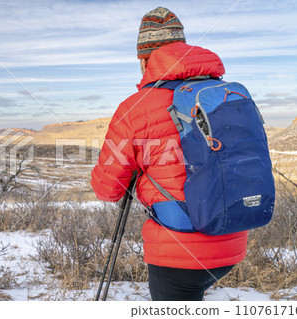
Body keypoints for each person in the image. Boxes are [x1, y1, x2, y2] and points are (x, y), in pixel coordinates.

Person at [90, 7, 248, 301]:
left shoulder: (137, 107)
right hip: (232, 240)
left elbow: (108, 188)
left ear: (144, 58)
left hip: (179, 249)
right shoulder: (227, 95)